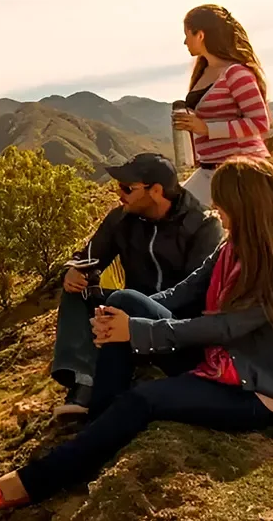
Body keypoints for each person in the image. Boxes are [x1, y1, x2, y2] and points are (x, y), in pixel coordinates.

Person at [0, 157, 273, 510]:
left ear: (246, 206)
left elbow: (226, 326)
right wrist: (121, 316)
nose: (217, 212)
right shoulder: (234, 246)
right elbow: (185, 292)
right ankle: (98, 429)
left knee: (143, 400)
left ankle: (34, 482)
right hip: (226, 361)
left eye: (223, 205)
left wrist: (139, 331)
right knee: (126, 300)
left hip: (259, 388)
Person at [51, 152, 224, 417]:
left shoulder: (202, 224)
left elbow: (196, 291)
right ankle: (83, 384)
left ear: (155, 191)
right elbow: (87, 258)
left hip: (175, 325)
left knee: (126, 300)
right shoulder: (121, 219)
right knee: (77, 293)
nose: (120, 194)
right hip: (127, 311)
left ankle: (111, 394)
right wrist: (73, 270)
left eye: (127, 188)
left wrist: (136, 309)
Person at [174, 4, 273, 206]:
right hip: (210, 168)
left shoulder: (236, 73)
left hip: (242, 172)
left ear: (200, 35)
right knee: (177, 211)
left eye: (187, 35)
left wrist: (206, 128)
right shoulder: (203, 73)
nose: (185, 42)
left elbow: (260, 122)